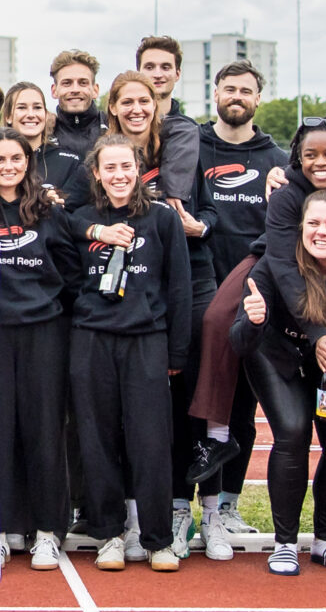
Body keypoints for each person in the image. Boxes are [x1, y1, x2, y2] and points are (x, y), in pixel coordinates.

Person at [235, 187, 326, 575]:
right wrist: (253, 320)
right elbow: (238, 341)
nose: (322, 232)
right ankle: (284, 543)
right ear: (300, 227)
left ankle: (325, 540)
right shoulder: (274, 265)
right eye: (313, 223)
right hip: (276, 355)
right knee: (293, 430)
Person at [173, 61, 287, 553]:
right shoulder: (192, 148)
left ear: (258, 99)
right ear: (214, 92)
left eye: (246, 89)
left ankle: (228, 505)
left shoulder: (277, 158)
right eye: (229, 88)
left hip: (252, 295)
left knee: (242, 406)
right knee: (192, 404)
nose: (236, 96)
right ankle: (182, 507)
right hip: (198, 288)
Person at [66, 137, 194, 571]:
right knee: (98, 438)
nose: (119, 175)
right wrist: (94, 232)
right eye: (110, 168)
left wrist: (176, 349)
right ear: (97, 174)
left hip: (146, 340)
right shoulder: (81, 218)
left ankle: (157, 539)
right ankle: (109, 535)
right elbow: (61, 246)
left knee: (151, 440)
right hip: (92, 339)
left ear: (138, 168)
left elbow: (179, 286)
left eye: (126, 166)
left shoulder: (161, 219)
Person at [0, 130, 82, 568]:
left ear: (28, 162)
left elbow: (70, 271)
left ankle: (48, 529)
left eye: (16, 158)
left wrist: (52, 314)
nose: (8, 166)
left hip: (43, 332)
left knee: (45, 430)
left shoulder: (47, 210)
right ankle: (1, 525)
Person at [132, 37, 202, 186]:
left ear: (177, 74)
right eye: (150, 67)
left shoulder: (191, 131)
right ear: (138, 72)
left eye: (165, 67)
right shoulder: (117, 127)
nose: (157, 74)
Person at [3, 82, 87, 198]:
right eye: (22, 107)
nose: (31, 114)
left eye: (37, 107)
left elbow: (76, 211)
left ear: (45, 114)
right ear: (8, 116)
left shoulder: (69, 163)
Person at [47, 50, 105, 162]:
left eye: (83, 83)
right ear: (54, 91)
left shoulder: (113, 128)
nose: (75, 90)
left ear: (95, 90)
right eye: (67, 83)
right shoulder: (43, 135)